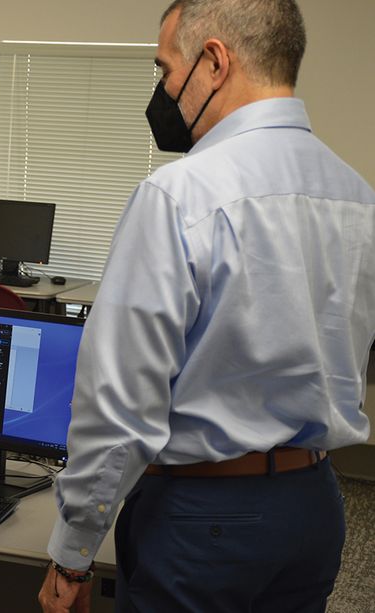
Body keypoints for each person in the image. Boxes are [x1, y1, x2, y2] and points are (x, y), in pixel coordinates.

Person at [39, 1, 375, 612]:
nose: (162, 90)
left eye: (166, 69)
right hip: (317, 507)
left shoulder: (178, 195)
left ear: (214, 61)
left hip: (203, 518)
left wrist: (71, 553)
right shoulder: (357, 196)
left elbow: (120, 408)